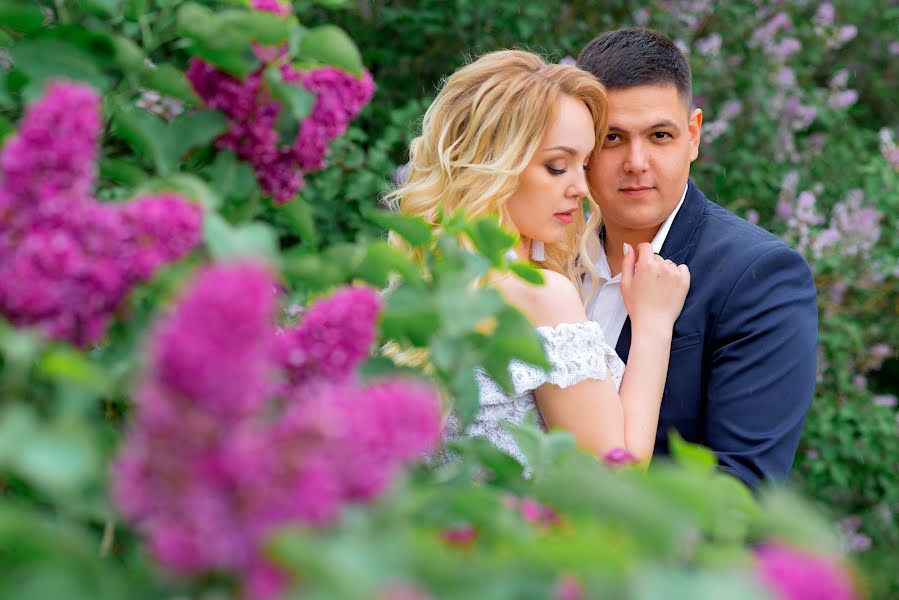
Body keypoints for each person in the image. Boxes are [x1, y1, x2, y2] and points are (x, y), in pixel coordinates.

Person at [388, 50, 690, 466]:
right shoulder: (540, 294)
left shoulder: (421, 282)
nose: (581, 188)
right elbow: (615, 470)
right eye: (555, 167)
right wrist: (655, 326)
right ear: (495, 163)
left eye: (584, 165)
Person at [576, 28, 818, 488]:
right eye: (612, 138)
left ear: (693, 135)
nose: (636, 162)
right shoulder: (548, 256)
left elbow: (741, 486)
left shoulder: (760, 275)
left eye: (660, 135)